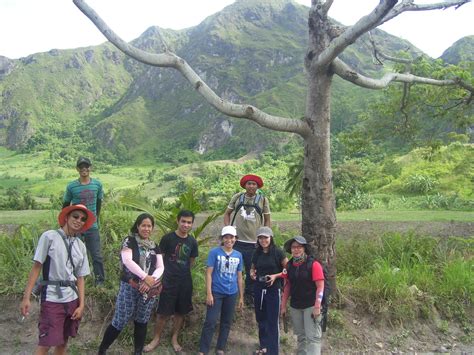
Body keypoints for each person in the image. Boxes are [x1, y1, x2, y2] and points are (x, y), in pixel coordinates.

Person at [20, 204, 95, 355]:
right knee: (46, 343)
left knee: (62, 342)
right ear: (66, 217)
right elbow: (36, 267)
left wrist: (81, 305)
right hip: (52, 298)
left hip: (72, 299)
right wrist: (26, 297)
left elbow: (80, 278)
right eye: (75, 216)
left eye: (82, 219)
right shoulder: (49, 237)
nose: (78, 220)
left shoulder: (80, 246)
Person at [98, 213, 164, 355]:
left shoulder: (155, 246)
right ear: (138, 226)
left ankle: (137, 352)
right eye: (143, 225)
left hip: (148, 290)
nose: (146, 228)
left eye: (149, 226)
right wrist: (145, 277)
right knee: (120, 320)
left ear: (152, 228)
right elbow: (127, 261)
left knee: (142, 321)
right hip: (130, 287)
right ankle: (102, 349)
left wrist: (150, 280)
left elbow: (160, 267)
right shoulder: (129, 241)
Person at [144, 210, 199, 353]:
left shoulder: (192, 241)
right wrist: (159, 278)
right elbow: (159, 261)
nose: (186, 225)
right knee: (163, 312)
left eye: (189, 222)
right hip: (168, 281)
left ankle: (174, 338)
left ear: (192, 224)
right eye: (183, 221)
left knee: (180, 312)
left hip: (185, 282)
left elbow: (191, 262)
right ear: (177, 221)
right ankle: (156, 338)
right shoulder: (167, 239)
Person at [224, 174, 271, 305]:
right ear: (245, 185)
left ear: (257, 186)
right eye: (249, 183)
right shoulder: (237, 197)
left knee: (252, 271)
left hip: (253, 244)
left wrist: (265, 236)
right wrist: (228, 229)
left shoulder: (263, 199)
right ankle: (231, 295)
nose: (251, 186)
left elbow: (267, 219)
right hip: (236, 242)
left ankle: (249, 297)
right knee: (232, 269)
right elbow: (227, 213)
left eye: (254, 184)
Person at [198, 226, 244, 355]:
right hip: (216, 292)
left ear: (236, 239)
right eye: (226, 237)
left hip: (232, 293)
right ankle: (203, 350)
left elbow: (239, 277)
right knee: (210, 321)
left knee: (226, 321)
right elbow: (208, 274)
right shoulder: (215, 252)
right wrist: (209, 293)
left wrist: (241, 296)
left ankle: (220, 348)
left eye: (232, 237)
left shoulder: (238, 255)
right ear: (222, 238)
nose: (229, 240)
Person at [63, 156, 105, 286]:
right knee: (75, 255)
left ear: (90, 168)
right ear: (77, 169)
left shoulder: (97, 185)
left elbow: (98, 205)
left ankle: (99, 281)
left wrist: (95, 219)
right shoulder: (71, 187)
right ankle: (76, 280)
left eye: (86, 166)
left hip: (92, 227)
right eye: (81, 167)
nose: (84, 169)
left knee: (96, 255)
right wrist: (66, 224)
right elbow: (65, 206)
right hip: (76, 228)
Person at [280, 236, 325, 355]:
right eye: (294, 247)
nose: (296, 249)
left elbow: (320, 286)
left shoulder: (314, 265)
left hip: (311, 305)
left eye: (299, 247)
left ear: (304, 248)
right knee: (301, 337)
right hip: (295, 306)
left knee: (313, 337)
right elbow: (287, 286)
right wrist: (283, 305)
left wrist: (317, 306)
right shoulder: (289, 266)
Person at [250, 227, 288, 355]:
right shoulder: (257, 252)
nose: (263, 240)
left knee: (272, 320)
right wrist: (252, 273)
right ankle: (264, 346)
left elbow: (287, 270)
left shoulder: (278, 252)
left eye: (265, 237)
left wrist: (275, 276)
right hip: (259, 287)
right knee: (261, 318)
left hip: (273, 289)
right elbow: (253, 267)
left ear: (271, 238)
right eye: (260, 237)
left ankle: (273, 350)